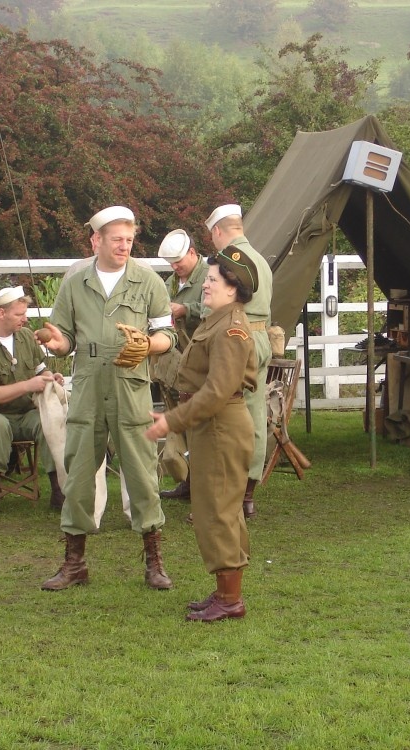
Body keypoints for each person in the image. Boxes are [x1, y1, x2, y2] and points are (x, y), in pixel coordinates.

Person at [36, 205, 177, 591]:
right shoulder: (74, 283)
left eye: (129, 240)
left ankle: (154, 562)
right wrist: (54, 340)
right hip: (87, 389)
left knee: (143, 474)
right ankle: (74, 563)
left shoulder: (149, 282)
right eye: (117, 239)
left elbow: (168, 336)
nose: (124, 246)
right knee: (79, 474)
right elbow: (64, 339)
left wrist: (149, 344)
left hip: (130, 387)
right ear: (95, 240)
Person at [145, 247, 259, 621]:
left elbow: (215, 392)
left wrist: (172, 421)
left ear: (232, 288)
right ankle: (225, 591)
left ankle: (230, 600)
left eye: (211, 280)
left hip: (221, 425)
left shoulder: (230, 328)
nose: (204, 285)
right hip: (214, 425)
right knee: (217, 507)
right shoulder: (217, 320)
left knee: (218, 511)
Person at [0, 286, 64, 518]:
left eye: (25, 313)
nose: (25, 318)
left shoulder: (27, 338)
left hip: (26, 412)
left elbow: (41, 370)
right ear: (1, 313)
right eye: (19, 314)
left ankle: (60, 491)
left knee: (50, 420)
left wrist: (50, 378)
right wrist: (28, 385)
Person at [204, 204, 273, 518]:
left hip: (234, 338)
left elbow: (215, 307)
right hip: (259, 339)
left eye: (212, 236)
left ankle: (226, 497)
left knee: (224, 418)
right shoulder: (262, 261)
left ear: (218, 231)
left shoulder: (226, 262)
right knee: (254, 415)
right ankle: (247, 495)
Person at [155, 229, 208, 502]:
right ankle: (188, 481)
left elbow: (222, 308)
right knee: (179, 421)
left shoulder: (211, 276)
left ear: (192, 252)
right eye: (171, 263)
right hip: (174, 362)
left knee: (199, 424)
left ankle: (204, 484)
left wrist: (187, 309)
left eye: (178, 261)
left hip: (201, 361)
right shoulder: (169, 283)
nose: (175, 267)